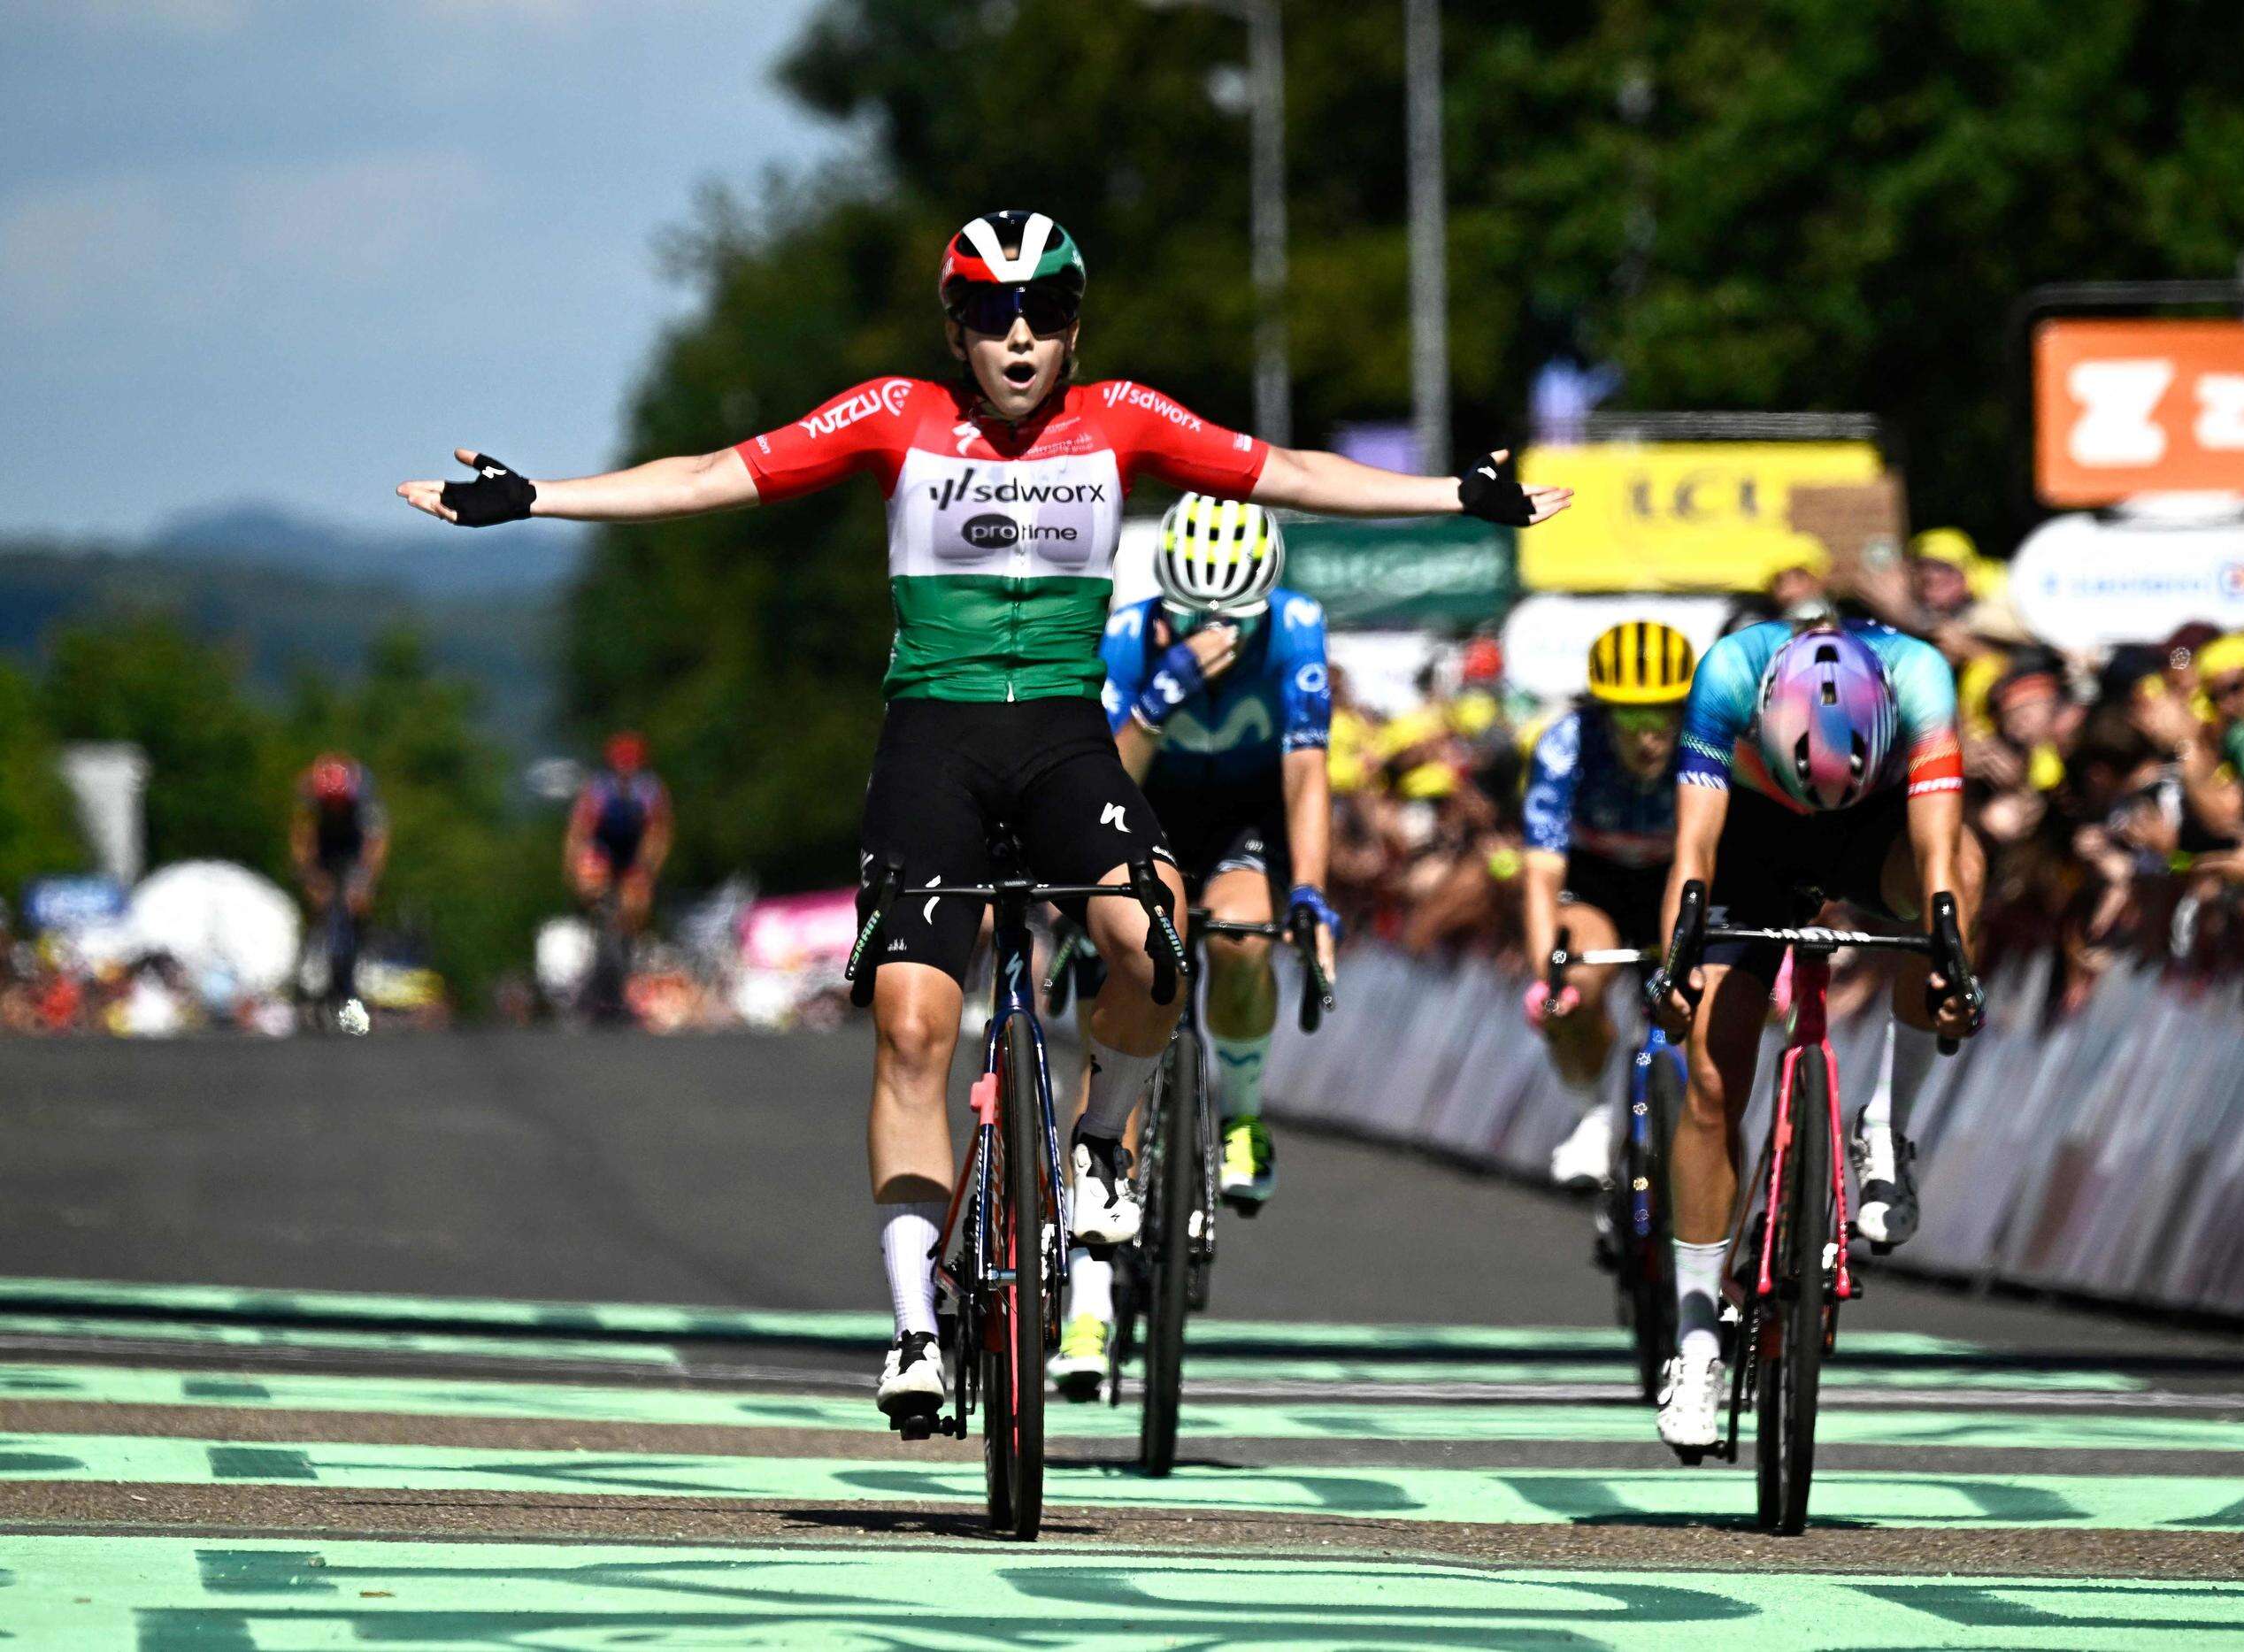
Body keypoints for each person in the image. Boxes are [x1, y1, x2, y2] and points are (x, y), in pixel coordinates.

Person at [396, 208, 1571, 1425]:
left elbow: (1293, 472)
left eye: (1046, 313)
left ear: (1076, 326)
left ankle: (1101, 1144)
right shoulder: (893, 415)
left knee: (1155, 944)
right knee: (913, 1027)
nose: (1020, 336)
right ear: (954, 326)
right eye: (993, 313)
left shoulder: (1123, 420)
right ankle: (912, 1324)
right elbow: (709, 474)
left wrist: (1459, 494)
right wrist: (534, 498)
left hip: (1063, 741)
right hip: (934, 746)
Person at [1649, 617, 1984, 1452]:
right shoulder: (1728, 672)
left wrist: (1952, 968)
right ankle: (1695, 1334)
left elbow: (1939, 860)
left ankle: (1886, 1128)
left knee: (1961, 875)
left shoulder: (1922, 680)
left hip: (1875, 833)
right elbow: (1693, 848)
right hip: (1755, 835)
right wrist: (1674, 970)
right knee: (1713, 1078)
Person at [1041, 495, 1339, 1397]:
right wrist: (1160, 696)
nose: (1211, 632)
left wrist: (1312, 892)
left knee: (1246, 937)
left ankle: (1241, 1110)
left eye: (1230, 620)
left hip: (1240, 818)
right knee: (1128, 1002)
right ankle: (1086, 1298)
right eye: (1191, 611)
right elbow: (1106, 774)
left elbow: (1306, 771)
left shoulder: (1296, 631)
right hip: (1145, 814)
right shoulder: (1129, 638)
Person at [1518, 619, 1696, 1191]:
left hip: (1680, 876)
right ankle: (1591, 1113)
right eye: (1630, 717)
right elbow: (1541, 872)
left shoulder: (1710, 742)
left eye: (1664, 715)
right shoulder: (1567, 744)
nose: (1649, 736)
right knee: (1574, 981)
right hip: (1597, 884)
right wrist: (1548, 970)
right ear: (1600, 710)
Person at [565, 732, 673, 1018]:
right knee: (591, 882)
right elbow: (580, 830)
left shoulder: (650, 789)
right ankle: (594, 919)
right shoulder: (598, 787)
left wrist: (647, 868)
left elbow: (658, 833)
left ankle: (629, 940)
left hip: (632, 852)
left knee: (636, 902)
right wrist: (576, 867)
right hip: (602, 848)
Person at [290, 753, 388, 1015]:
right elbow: (302, 839)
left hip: (353, 849)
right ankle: (308, 964)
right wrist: (309, 875)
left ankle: (359, 956)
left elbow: (375, 844)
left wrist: (364, 881)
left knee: (358, 904)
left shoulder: (365, 804)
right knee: (316, 904)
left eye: (340, 804)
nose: (335, 808)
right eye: (329, 804)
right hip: (325, 849)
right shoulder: (310, 801)